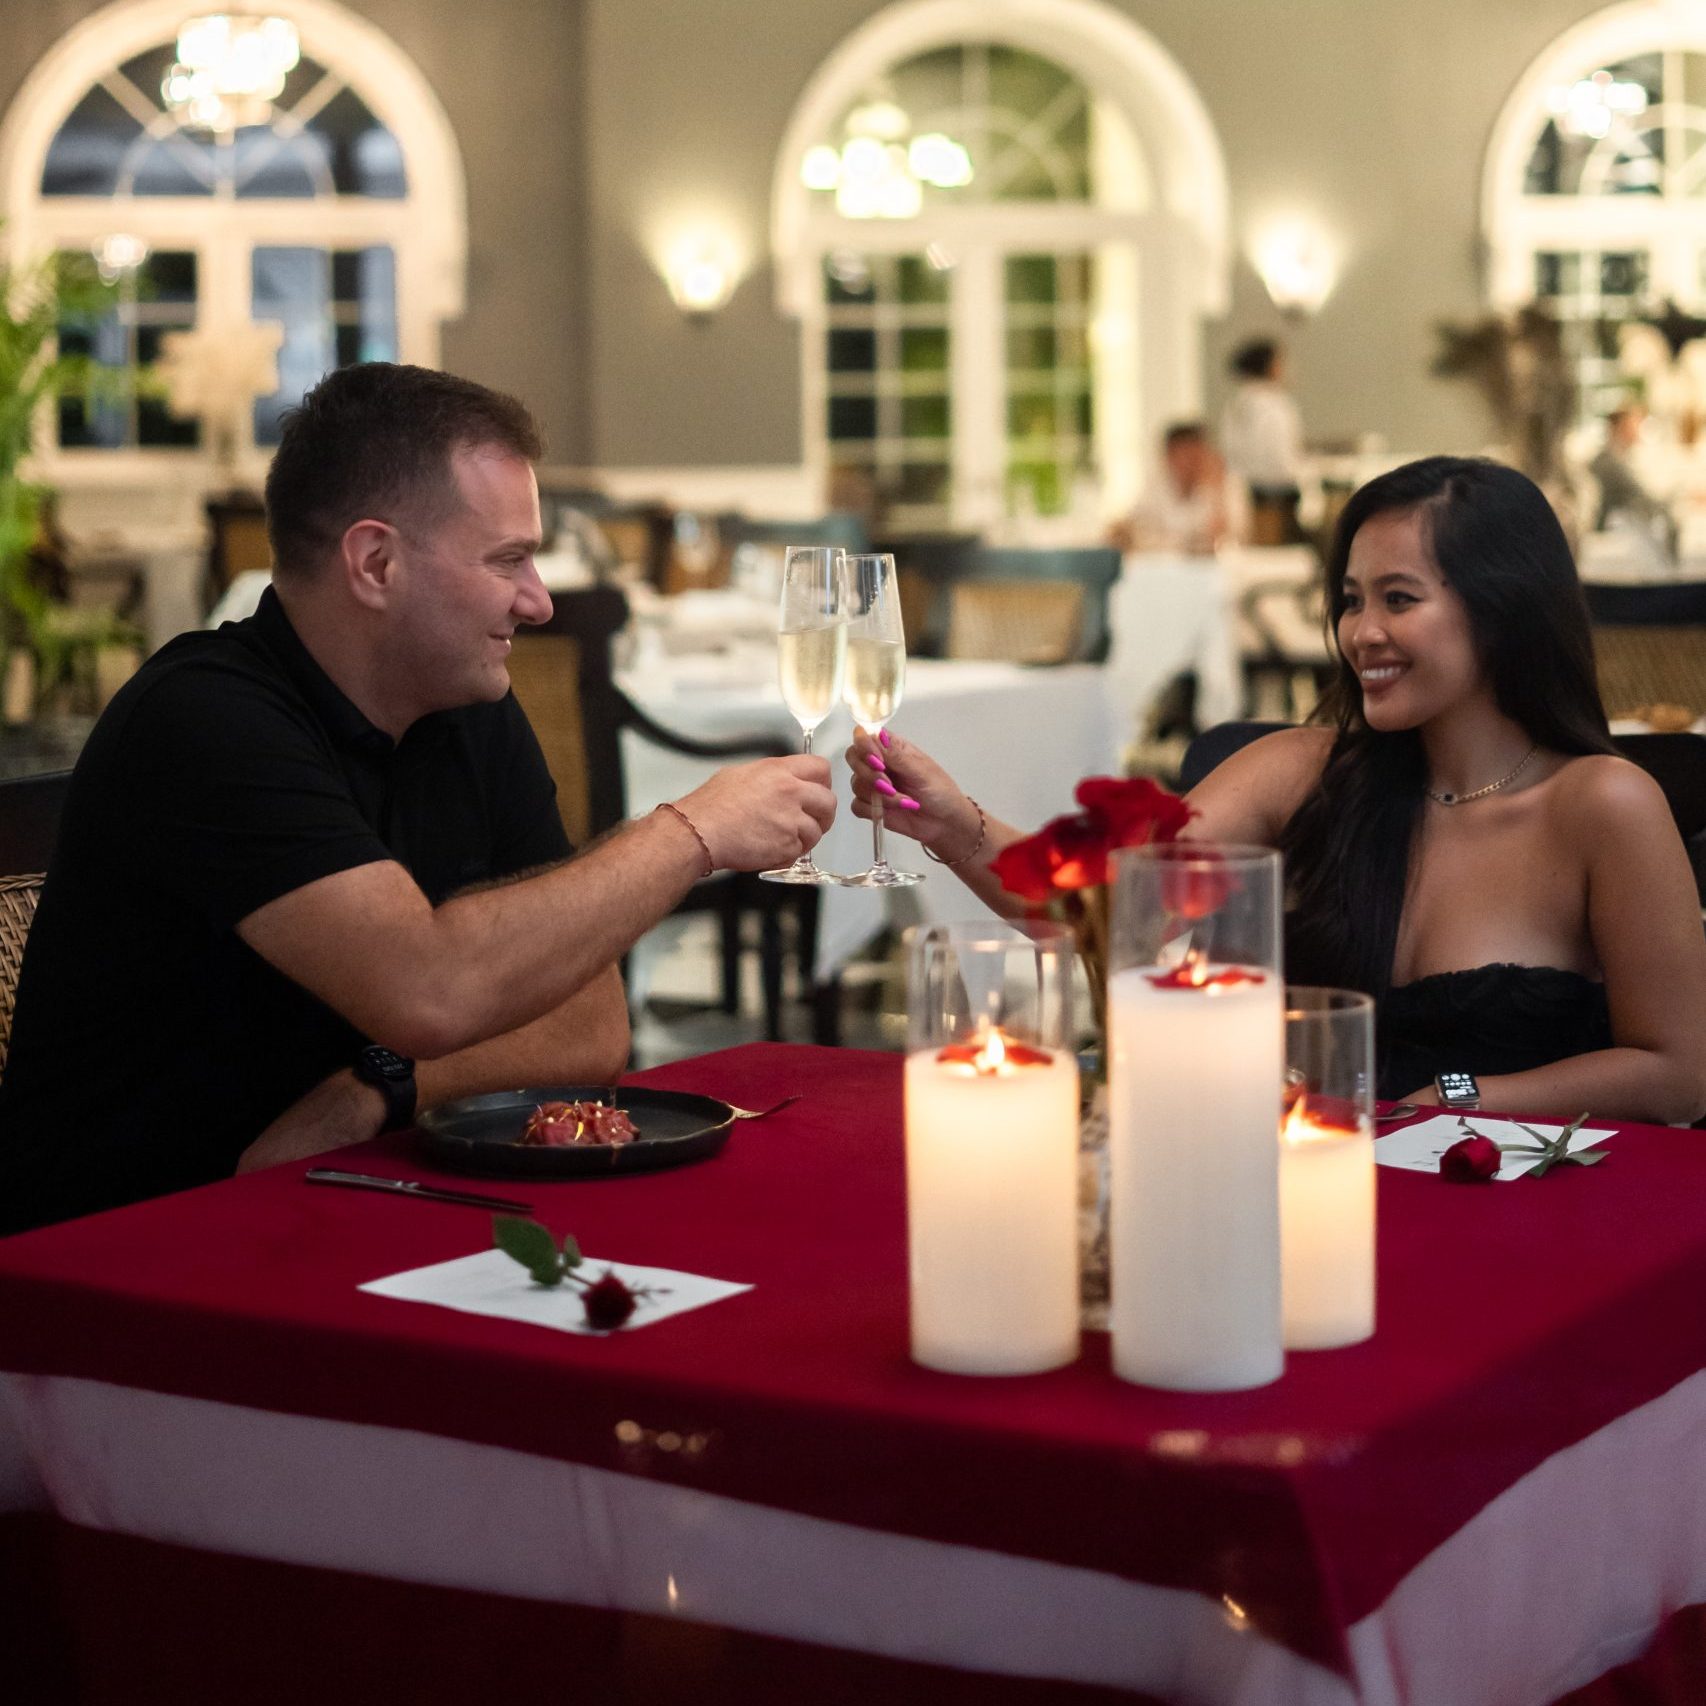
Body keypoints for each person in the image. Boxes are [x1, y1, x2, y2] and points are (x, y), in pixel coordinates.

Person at [0, 363, 835, 1234]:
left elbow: (591, 1024)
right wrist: (691, 832)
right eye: (508, 559)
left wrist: (375, 1088)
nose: (540, 601)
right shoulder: (203, 720)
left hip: (340, 1206)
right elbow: (429, 989)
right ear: (375, 562)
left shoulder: (463, 705)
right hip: (126, 1259)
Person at [846, 457, 1706, 1123]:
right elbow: (1100, 907)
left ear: (1503, 608)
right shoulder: (1303, 772)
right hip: (1303, 1179)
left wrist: (1457, 1099)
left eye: (1398, 599)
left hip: (1515, 1206)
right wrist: (950, 823)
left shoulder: (1602, 805)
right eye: (1350, 600)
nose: (1361, 633)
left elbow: (1677, 1072)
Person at [1108, 421, 1245, 555]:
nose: (1191, 461)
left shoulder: (1226, 485)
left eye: (1197, 453)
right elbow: (1131, 525)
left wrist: (1217, 493)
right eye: (1184, 453)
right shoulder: (1157, 485)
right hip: (1165, 566)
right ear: (1169, 456)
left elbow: (1232, 537)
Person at [1219, 339, 1306, 545]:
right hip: (1273, 498)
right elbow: (1280, 458)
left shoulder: (1235, 405)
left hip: (1242, 493)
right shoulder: (1275, 405)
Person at [1590, 403, 1677, 561]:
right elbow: (1644, 496)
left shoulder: (1619, 458)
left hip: (1620, 533)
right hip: (1610, 537)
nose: (1638, 430)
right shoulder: (1609, 463)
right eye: (1634, 424)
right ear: (1619, 428)